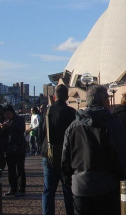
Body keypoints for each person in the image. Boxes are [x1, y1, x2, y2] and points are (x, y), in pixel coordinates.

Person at [62, 85, 126, 215]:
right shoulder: (112, 123)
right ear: (103, 100)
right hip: (107, 186)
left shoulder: (73, 126)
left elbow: (65, 158)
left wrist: (70, 182)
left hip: (80, 187)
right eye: (108, 98)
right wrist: (121, 176)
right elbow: (121, 153)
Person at [38, 84, 76, 215]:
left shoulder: (47, 111)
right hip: (67, 155)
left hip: (48, 154)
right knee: (68, 189)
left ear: (54, 97)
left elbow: (41, 132)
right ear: (67, 97)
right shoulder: (72, 112)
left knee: (48, 190)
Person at [2, 104, 27, 197]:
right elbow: (4, 135)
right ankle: (13, 188)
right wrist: (3, 128)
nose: (7, 116)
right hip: (9, 148)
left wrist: (11, 125)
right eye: (6, 114)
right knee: (11, 169)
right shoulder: (6, 121)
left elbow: (21, 130)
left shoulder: (19, 119)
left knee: (20, 168)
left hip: (19, 147)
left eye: (8, 113)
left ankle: (21, 189)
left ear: (12, 112)